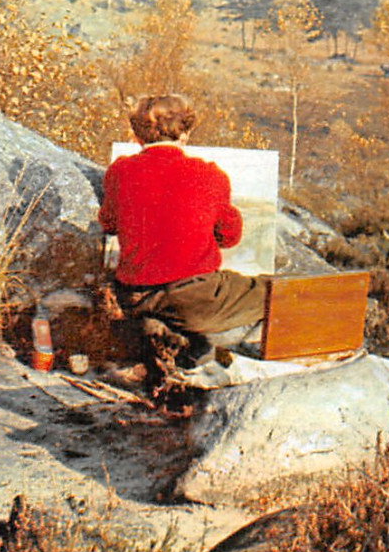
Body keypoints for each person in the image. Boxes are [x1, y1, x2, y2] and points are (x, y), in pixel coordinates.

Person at [98, 93, 265, 378]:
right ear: (186, 133)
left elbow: (108, 224)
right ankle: (199, 344)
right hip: (194, 296)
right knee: (271, 294)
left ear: (138, 136)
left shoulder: (120, 171)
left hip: (136, 297)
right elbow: (230, 237)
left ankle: (167, 333)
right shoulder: (210, 175)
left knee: (182, 307)